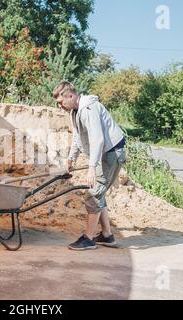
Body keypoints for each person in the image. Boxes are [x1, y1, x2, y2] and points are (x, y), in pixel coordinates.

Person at [53, 81, 126, 251]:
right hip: (105, 154)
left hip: (111, 153)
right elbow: (79, 137)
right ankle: (107, 235)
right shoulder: (75, 111)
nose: (60, 106)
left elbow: (97, 139)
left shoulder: (89, 109)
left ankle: (88, 238)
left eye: (61, 102)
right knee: (99, 193)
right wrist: (71, 160)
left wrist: (92, 167)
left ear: (70, 96)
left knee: (93, 194)